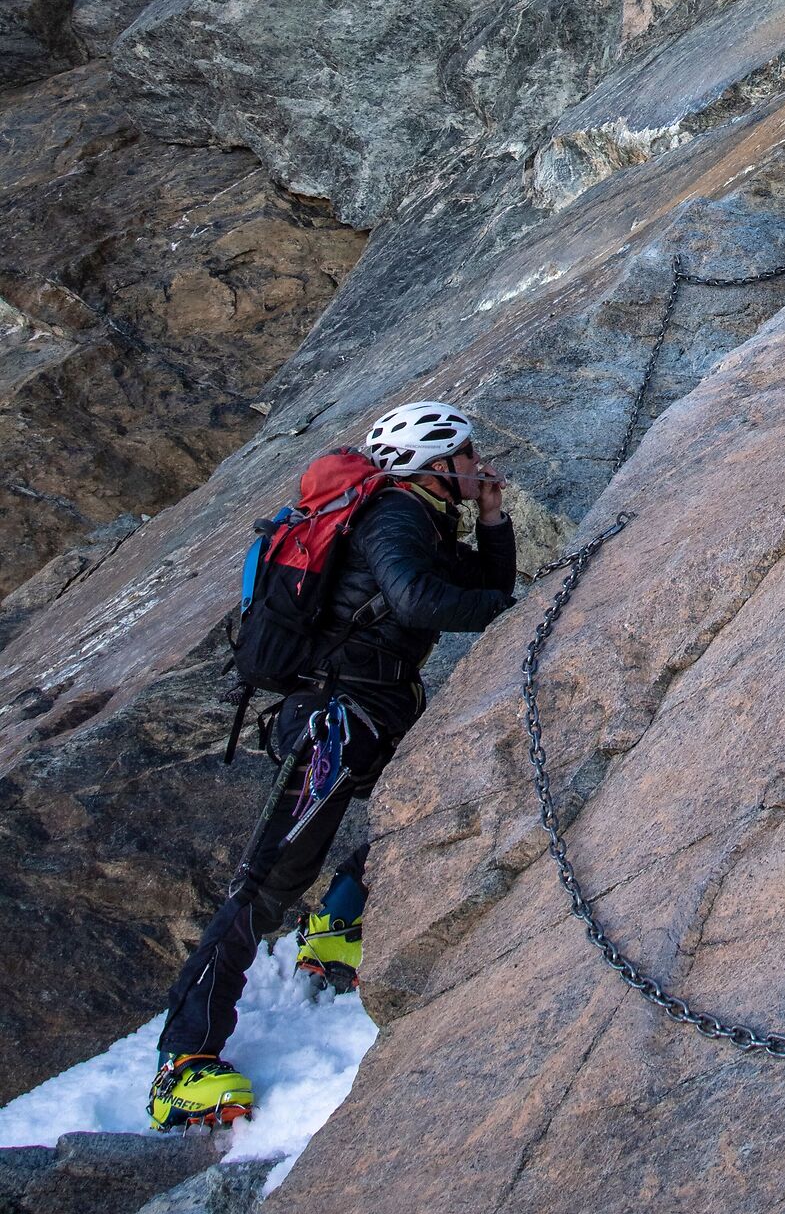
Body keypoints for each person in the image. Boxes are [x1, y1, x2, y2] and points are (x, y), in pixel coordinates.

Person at [147, 403, 516, 1131]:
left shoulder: (422, 517)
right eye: (466, 455)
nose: (477, 464)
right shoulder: (394, 517)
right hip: (335, 718)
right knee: (266, 881)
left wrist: (494, 522)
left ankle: (338, 924)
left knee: (434, 808)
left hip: (370, 709)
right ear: (432, 466)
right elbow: (420, 600)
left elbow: (477, 583)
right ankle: (180, 1063)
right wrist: (506, 609)